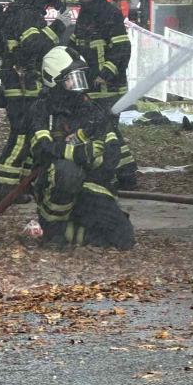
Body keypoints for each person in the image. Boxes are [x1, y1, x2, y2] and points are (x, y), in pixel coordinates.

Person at [29, 45, 135, 249]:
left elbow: (113, 153)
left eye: (80, 78)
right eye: (71, 79)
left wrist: (95, 156)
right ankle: (53, 229)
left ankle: (59, 231)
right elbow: (41, 150)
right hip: (55, 185)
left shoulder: (91, 109)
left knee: (124, 238)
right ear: (53, 80)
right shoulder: (42, 110)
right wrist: (77, 153)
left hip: (90, 186)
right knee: (68, 172)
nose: (78, 85)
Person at [0, 0, 74, 203]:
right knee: (21, 134)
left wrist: (56, 7)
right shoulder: (25, 14)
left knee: (31, 134)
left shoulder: (24, 10)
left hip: (26, 82)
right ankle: (6, 190)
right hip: (20, 83)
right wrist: (59, 25)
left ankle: (21, 186)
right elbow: (34, 46)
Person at [68, 0, 138, 190]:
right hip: (90, 85)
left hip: (109, 86)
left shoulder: (109, 13)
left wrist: (104, 74)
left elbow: (121, 49)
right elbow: (77, 44)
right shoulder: (85, 14)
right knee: (104, 130)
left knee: (106, 130)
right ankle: (124, 173)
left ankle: (123, 174)